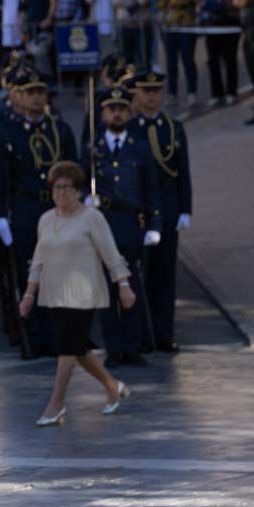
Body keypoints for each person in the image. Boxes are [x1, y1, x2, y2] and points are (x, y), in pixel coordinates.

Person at [18, 161, 133, 426]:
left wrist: (124, 285)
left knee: (67, 347)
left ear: (78, 190)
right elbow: (38, 260)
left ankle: (56, 403)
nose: (61, 193)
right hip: (54, 293)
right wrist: (28, 294)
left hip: (84, 294)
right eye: (56, 188)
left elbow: (111, 253)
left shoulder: (92, 217)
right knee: (77, 348)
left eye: (67, 188)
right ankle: (112, 386)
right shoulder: (46, 219)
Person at [0, 63, 78, 356]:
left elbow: (74, 170)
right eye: (30, 92)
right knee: (28, 275)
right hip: (24, 208)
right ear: (18, 96)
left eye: (41, 92)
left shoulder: (58, 129)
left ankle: (55, 336)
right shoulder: (5, 131)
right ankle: (31, 338)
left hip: (56, 207)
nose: (37, 98)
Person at [90, 85, 160, 368]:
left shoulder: (140, 147)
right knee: (107, 289)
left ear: (129, 112)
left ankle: (133, 346)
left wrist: (154, 223)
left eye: (121, 109)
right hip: (103, 223)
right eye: (111, 109)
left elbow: (151, 189)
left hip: (131, 223)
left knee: (131, 286)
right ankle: (114, 348)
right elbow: (79, 180)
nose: (117, 114)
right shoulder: (93, 148)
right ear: (103, 113)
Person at [131, 69, 191, 353]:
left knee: (166, 275)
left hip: (167, 210)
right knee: (142, 275)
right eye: (146, 91)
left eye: (156, 91)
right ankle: (143, 334)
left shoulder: (173, 127)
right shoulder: (130, 130)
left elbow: (183, 172)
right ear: (137, 94)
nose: (152, 96)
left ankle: (165, 332)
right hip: (139, 212)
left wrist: (185, 208)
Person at [159, 0, 199, 109]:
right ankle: (172, 94)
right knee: (171, 62)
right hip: (170, 26)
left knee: (188, 60)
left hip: (187, 25)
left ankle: (192, 92)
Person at [200, 0, 240, 106]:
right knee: (213, 61)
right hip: (212, 23)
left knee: (230, 59)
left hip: (230, 21)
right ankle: (217, 94)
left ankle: (231, 92)